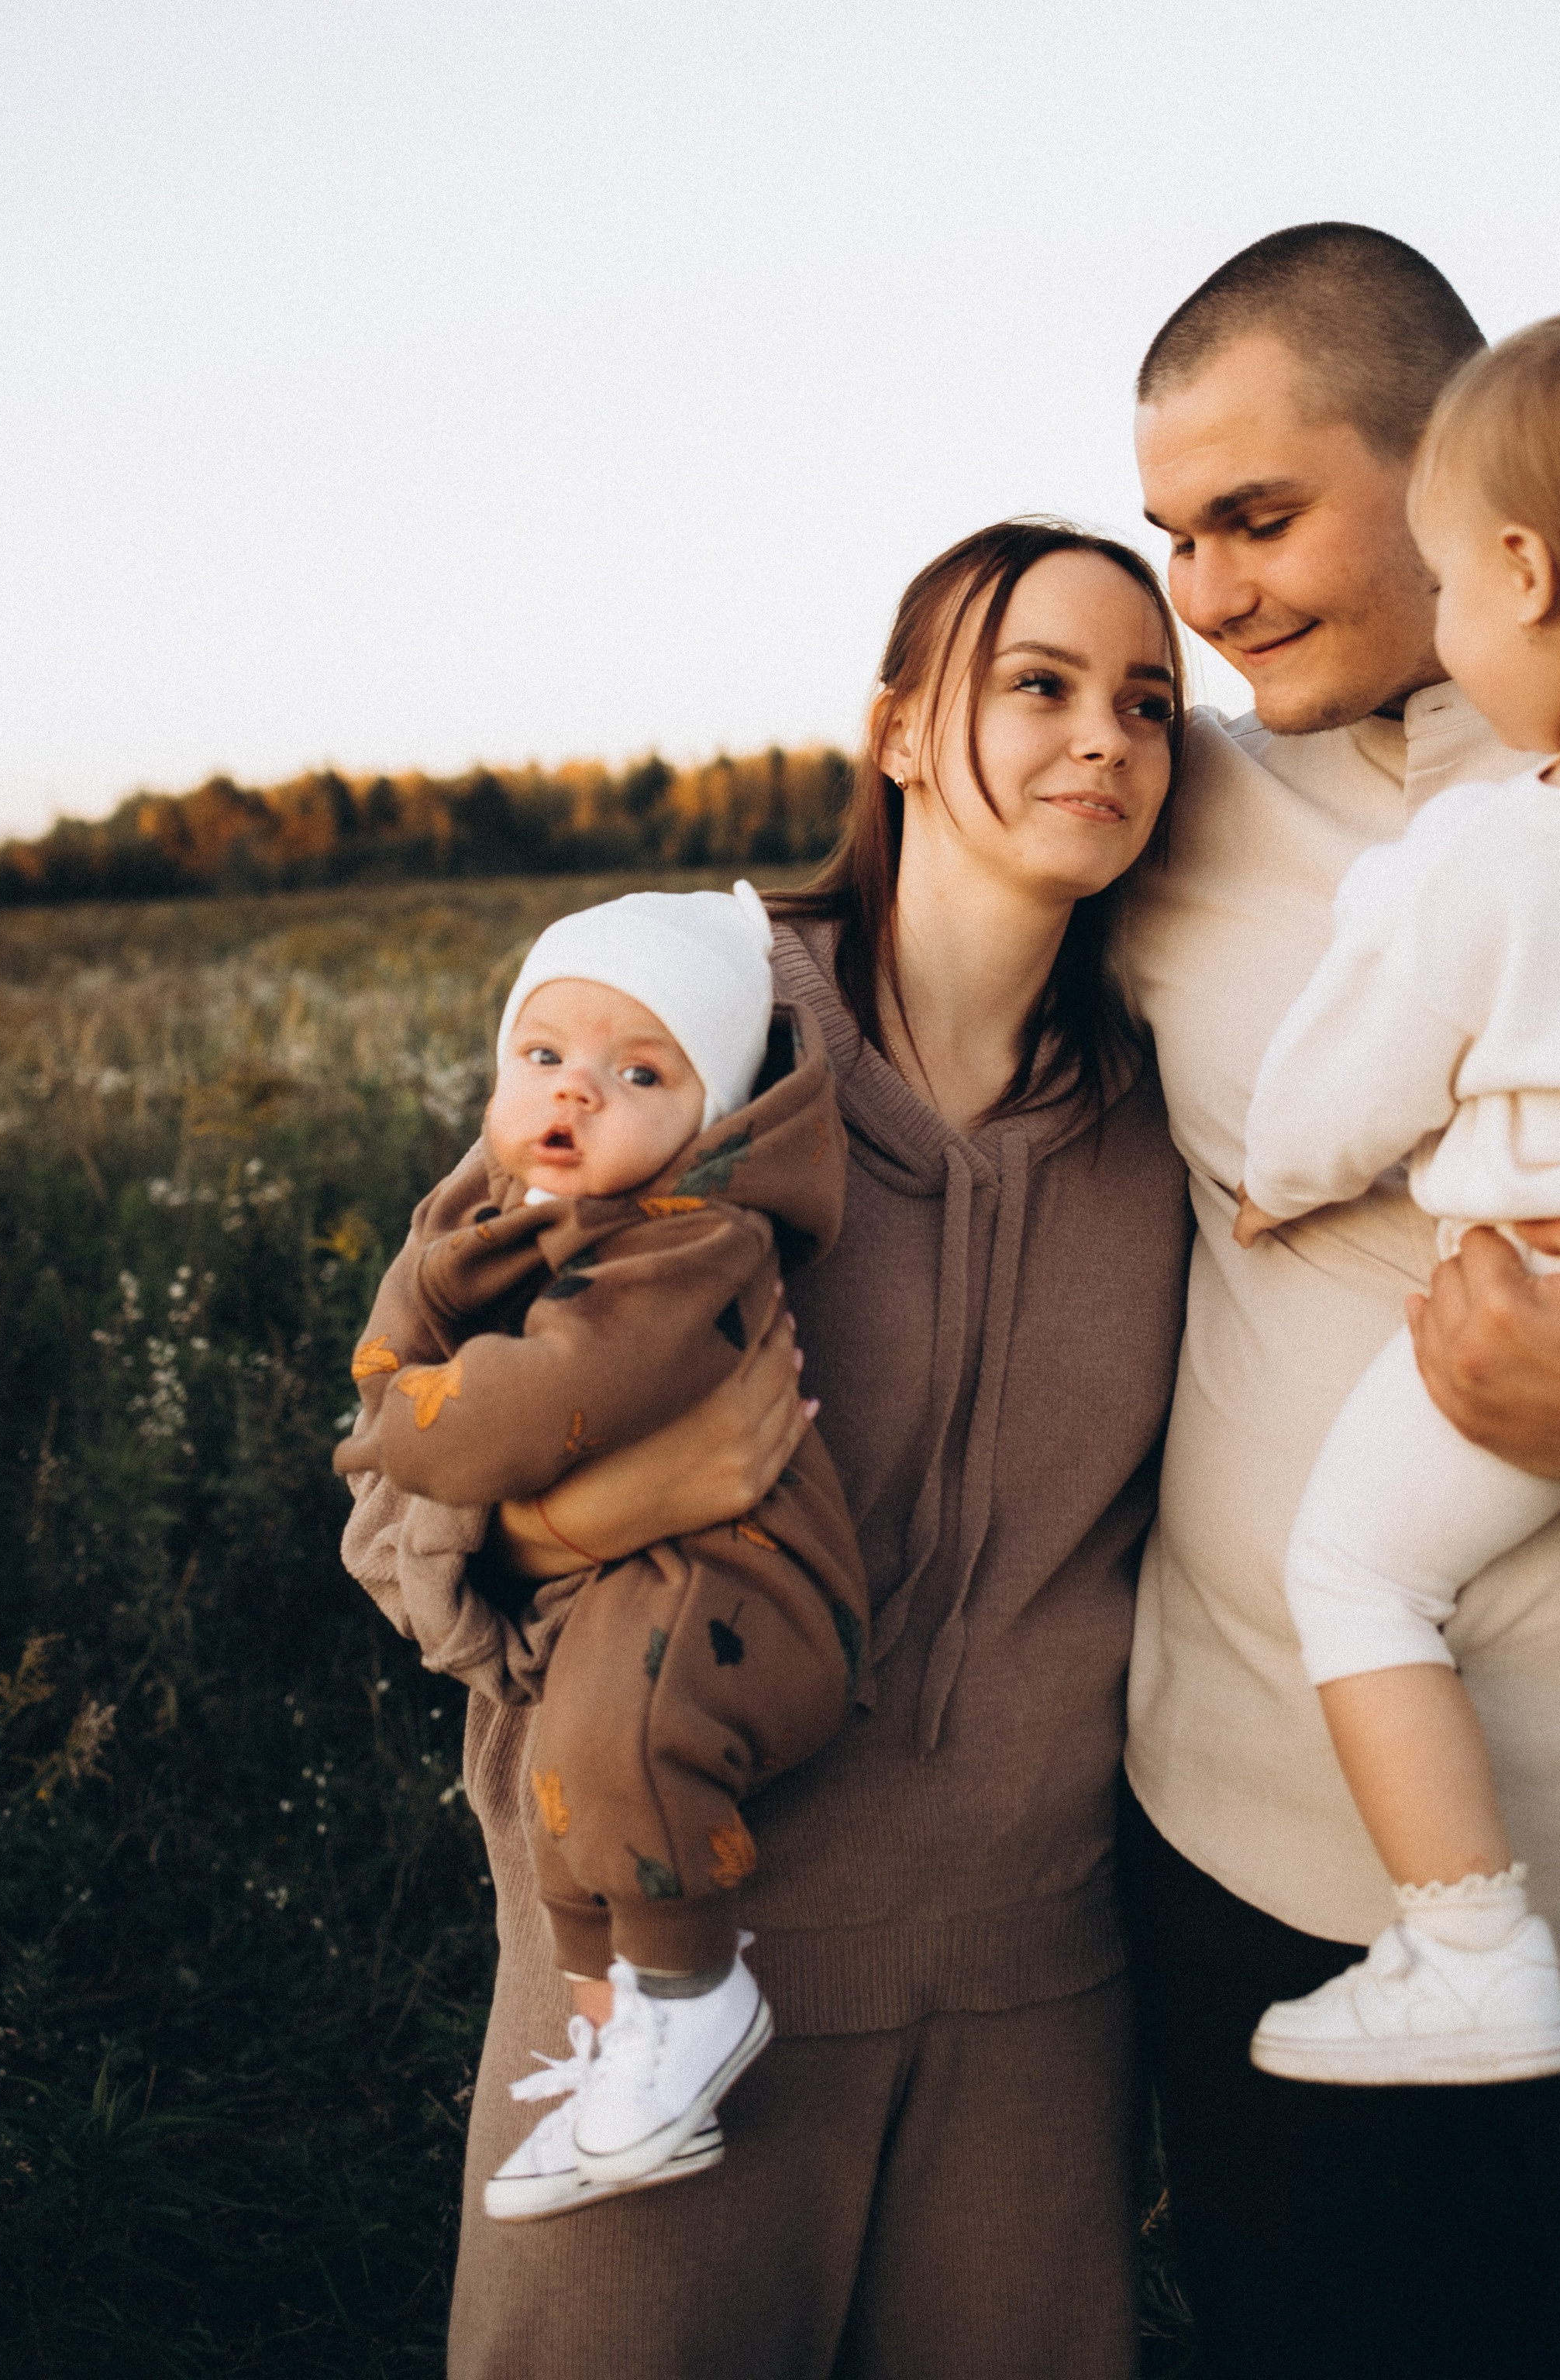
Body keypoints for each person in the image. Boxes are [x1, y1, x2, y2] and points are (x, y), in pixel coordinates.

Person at [338, 518, 1193, 2380]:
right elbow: (389, 1507)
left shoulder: (1167, 1107)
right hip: (663, 1977)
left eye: (1147, 701)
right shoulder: (689, 1041)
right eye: (1034, 685)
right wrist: (596, 1510)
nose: (1102, 739)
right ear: (895, 730)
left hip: (1034, 1998)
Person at [1118, 226, 1560, 2378]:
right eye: (1176, 538)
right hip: (1261, 1852)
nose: (1212, 595)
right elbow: (859, 1028)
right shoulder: (1169, 796)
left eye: (1259, 519)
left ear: (1468, 487)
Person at [1234, 308, 1560, 2088]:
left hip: (1536, 1287)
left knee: (1350, 1573)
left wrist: (1279, 1183)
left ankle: (1465, 1943)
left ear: (1521, 572)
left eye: (1440, 577)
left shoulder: (1490, 847)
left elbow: (1335, 1094)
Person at [339, 881, 869, 2222]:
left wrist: (416, 1422)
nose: (575, 1093)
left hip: (741, 1590)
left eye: (639, 1072)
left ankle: (698, 1996)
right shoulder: (484, 1219)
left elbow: (522, 1407)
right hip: (620, 1595)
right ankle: (612, 2056)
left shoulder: (687, 1240)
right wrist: (405, 1409)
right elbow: (386, 1389)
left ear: (707, 1121)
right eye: (545, 1056)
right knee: (564, 1822)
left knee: (611, 1758)